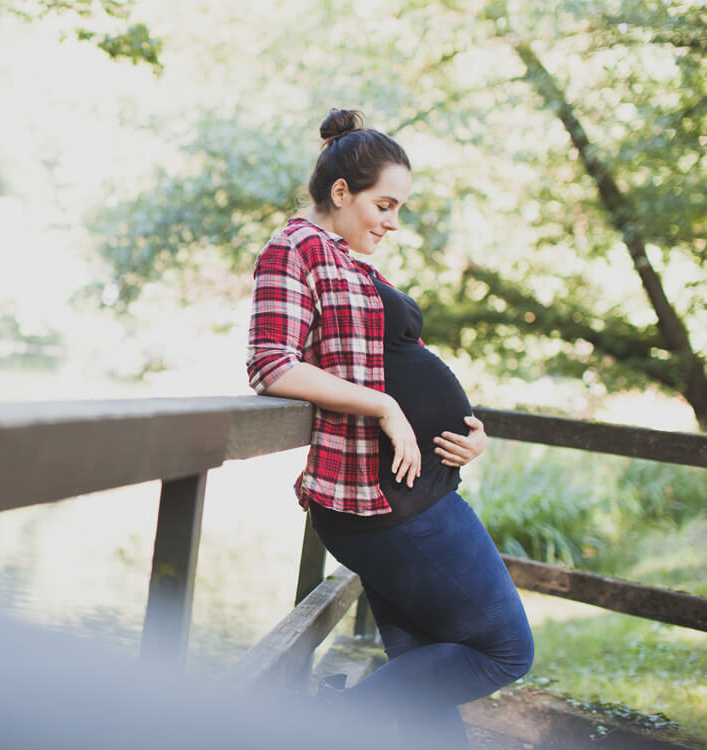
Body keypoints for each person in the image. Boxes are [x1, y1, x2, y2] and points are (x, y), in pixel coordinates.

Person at [246, 108, 534, 748]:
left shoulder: (352, 263)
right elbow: (271, 364)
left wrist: (468, 432)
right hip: (387, 501)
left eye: (399, 207)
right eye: (384, 204)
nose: (393, 222)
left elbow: (399, 360)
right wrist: (385, 407)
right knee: (505, 651)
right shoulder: (294, 248)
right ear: (340, 192)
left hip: (411, 490)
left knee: (425, 666)